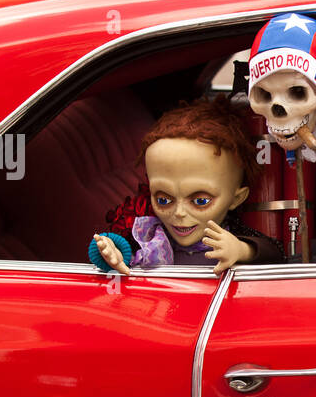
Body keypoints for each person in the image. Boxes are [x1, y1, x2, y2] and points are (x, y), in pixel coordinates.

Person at [91, 96, 282, 274]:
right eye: (164, 200)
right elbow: (121, 249)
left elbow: (275, 254)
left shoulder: (236, 236)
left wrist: (241, 250)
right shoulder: (148, 237)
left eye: (200, 200)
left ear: (236, 198)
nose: (179, 213)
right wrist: (111, 251)